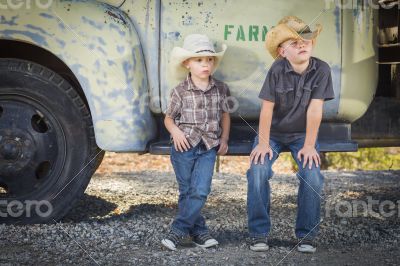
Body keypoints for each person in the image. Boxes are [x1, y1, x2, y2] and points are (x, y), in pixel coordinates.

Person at [247, 16, 335, 253]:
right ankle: (259, 233)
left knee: (312, 174)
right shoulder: (276, 69)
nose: (302, 44)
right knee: (258, 170)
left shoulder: (321, 69)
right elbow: (267, 109)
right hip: (273, 133)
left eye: (305, 40)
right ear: (282, 52)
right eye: (293, 42)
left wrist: (309, 145)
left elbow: (316, 109)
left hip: (302, 135)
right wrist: (264, 142)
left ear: (312, 45)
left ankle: (306, 235)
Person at [161, 34, 231, 251]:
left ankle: (178, 231)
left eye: (209, 60)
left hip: (208, 146)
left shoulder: (221, 89)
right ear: (187, 63)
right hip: (184, 146)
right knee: (186, 191)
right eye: (200, 60)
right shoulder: (180, 91)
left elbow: (225, 115)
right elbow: (169, 118)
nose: (205, 64)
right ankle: (199, 232)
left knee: (200, 190)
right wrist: (176, 132)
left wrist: (225, 139)